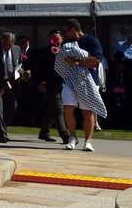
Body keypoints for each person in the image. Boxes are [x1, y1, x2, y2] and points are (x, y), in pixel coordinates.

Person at [59, 18, 105, 152]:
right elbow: (64, 60)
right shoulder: (66, 43)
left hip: (88, 80)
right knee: (68, 108)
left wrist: (78, 62)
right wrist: (80, 61)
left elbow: (96, 60)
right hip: (69, 80)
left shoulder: (91, 41)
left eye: (66, 31)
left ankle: (88, 141)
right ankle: (72, 137)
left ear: (73, 29)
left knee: (87, 111)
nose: (64, 34)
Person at [35, 31, 70, 144]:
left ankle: (44, 132)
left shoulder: (66, 50)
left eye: (57, 38)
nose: (55, 41)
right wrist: (40, 82)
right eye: (53, 38)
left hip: (64, 84)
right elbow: (39, 69)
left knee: (52, 109)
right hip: (50, 84)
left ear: (62, 39)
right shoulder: (44, 52)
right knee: (58, 108)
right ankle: (65, 135)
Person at [0, 31, 22, 143]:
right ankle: (3, 135)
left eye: (9, 44)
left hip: (11, 83)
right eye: (4, 44)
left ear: (13, 43)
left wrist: (21, 72)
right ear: (1, 42)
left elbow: (19, 64)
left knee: (13, 106)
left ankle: (0, 129)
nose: (6, 46)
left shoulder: (17, 49)